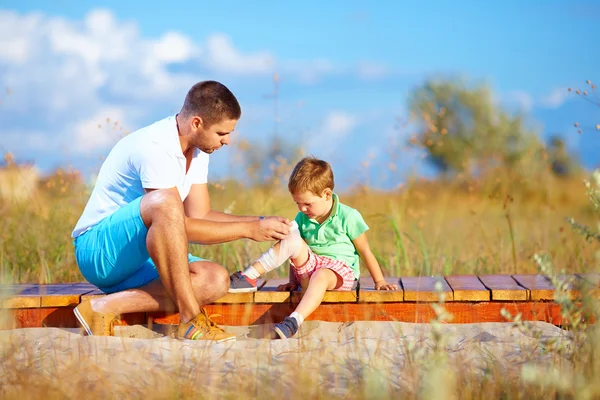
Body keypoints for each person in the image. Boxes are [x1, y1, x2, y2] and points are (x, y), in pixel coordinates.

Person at [71, 80, 293, 342]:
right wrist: (249, 230)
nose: (228, 141)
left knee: (215, 279)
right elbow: (178, 224)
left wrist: (260, 222)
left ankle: (105, 307)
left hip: (141, 258)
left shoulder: (198, 150)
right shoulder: (155, 146)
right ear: (197, 123)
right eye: (222, 133)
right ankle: (191, 319)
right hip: (100, 252)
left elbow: (199, 215)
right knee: (164, 202)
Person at [229, 156, 398, 339]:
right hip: (312, 267)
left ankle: (293, 320)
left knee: (321, 274)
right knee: (291, 236)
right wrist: (293, 281)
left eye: (307, 204)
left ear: (326, 194)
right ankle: (249, 276)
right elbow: (294, 253)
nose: (302, 209)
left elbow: (365, 250)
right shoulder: (303, 218)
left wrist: (379, 281)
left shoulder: (348, 216)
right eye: (298, 204)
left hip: (339, 273)